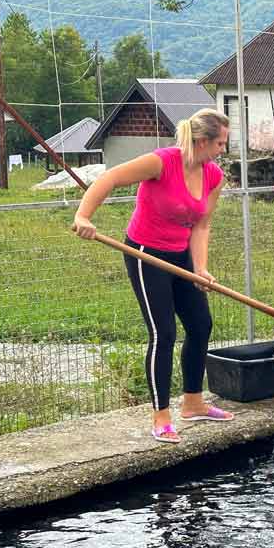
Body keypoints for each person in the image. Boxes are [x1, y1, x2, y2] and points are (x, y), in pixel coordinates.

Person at [72, 108, 235, 444]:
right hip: (145, 253)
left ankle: (193, 403)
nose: (223, 149)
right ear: (202, 141)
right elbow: (109, 178)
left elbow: (202, 226)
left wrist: (200, 268)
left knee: (201, 325)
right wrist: (83, 216)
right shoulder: (162, 162)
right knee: (164, 332)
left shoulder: (213, 176)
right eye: (220, 143)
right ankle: (161, 416)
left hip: (181, 254)